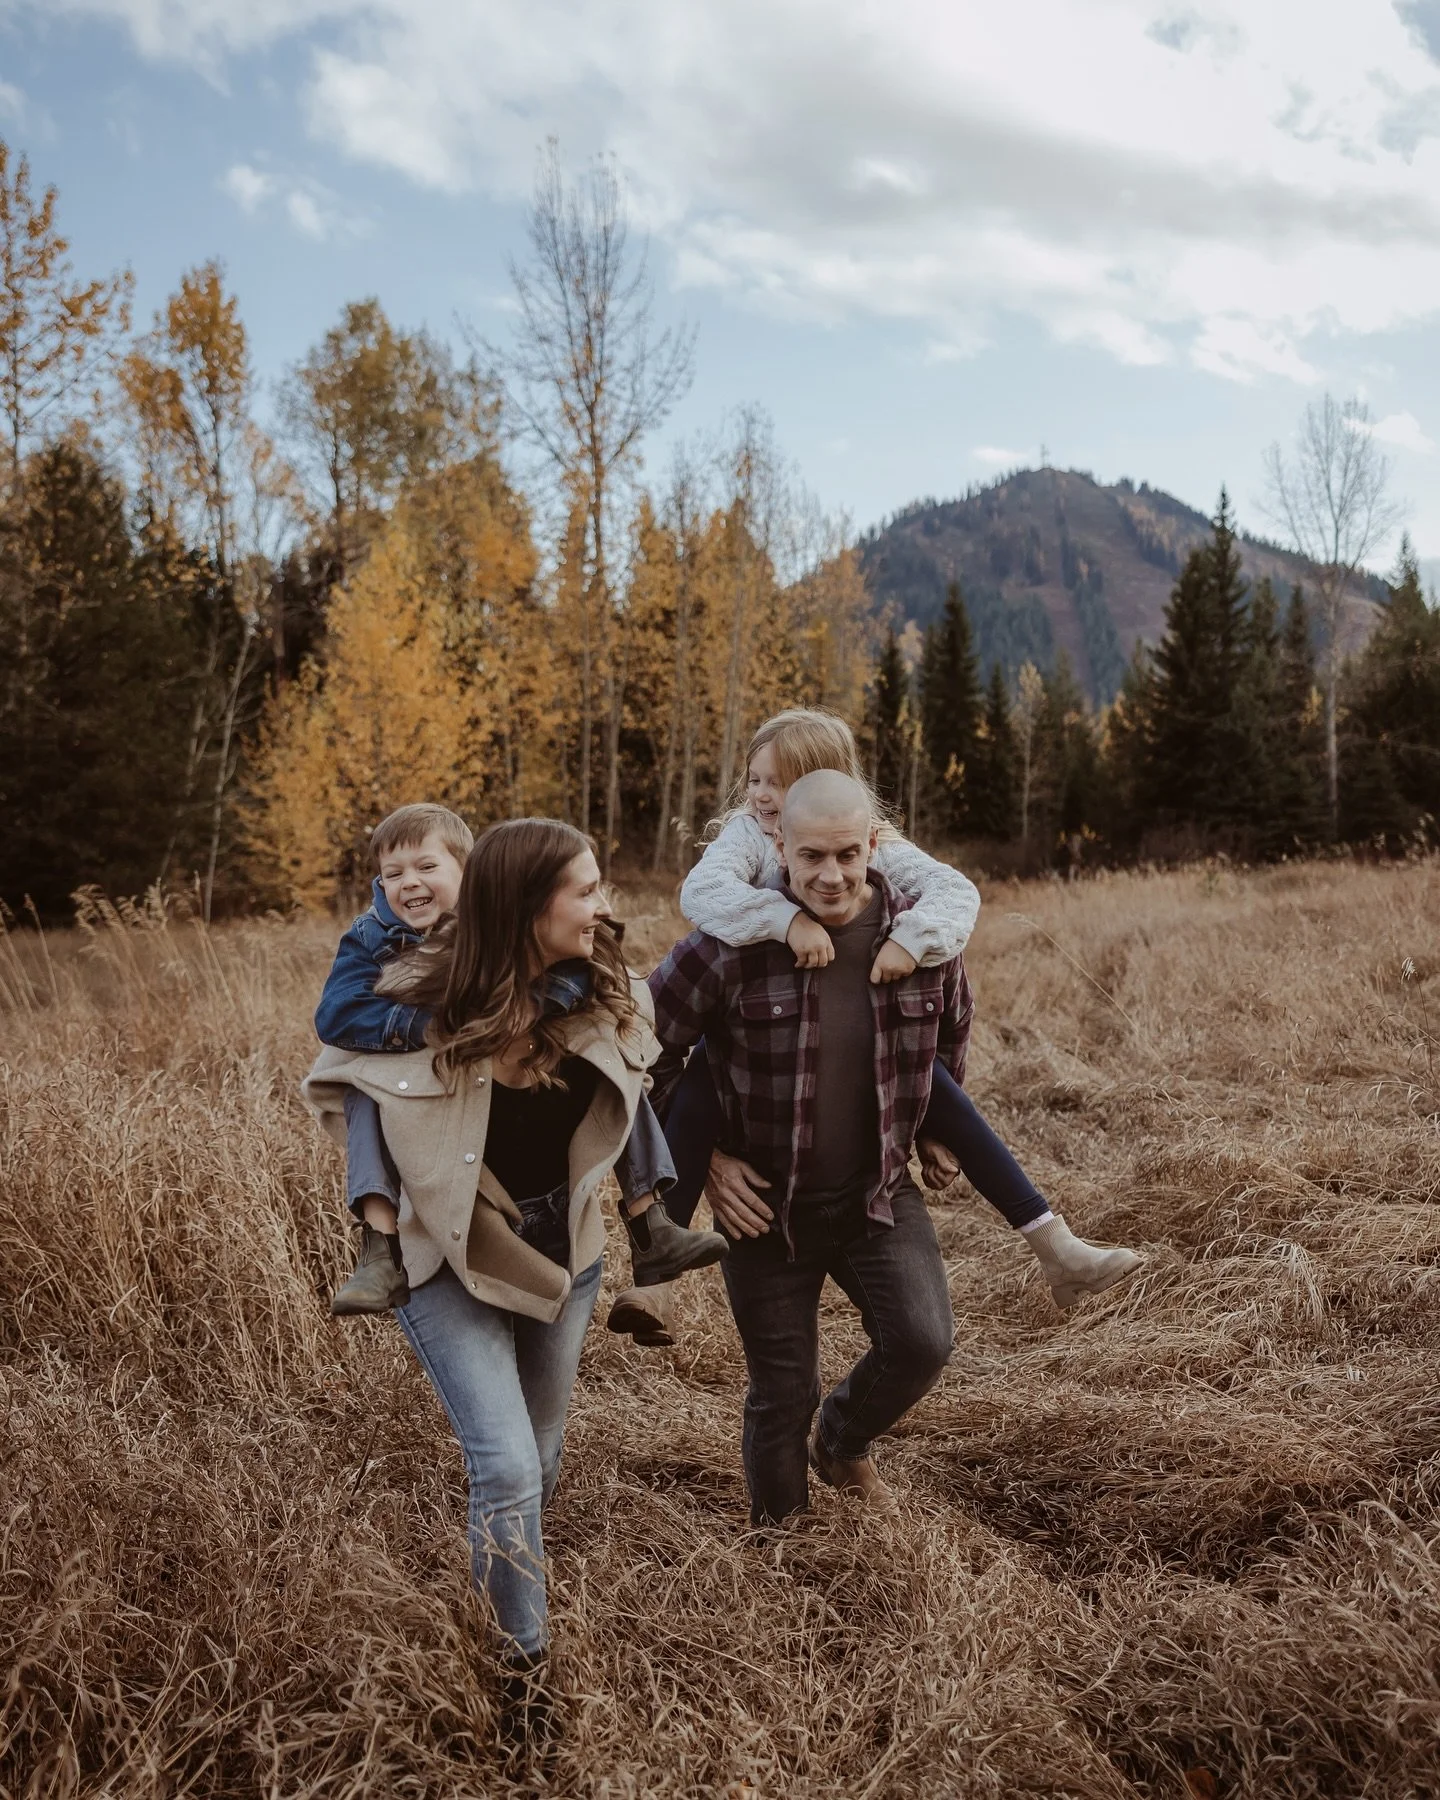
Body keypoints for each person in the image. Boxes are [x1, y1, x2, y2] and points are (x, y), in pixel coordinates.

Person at [302, 819, 726, 1751]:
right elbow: (333, 1067)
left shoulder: (596, 991)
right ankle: (519, 1674)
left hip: (564, 1256)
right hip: (446, 1256)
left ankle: (503, 1579)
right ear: (530, 908)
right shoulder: (415, 998)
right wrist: (449, 1035)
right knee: (504, 1464)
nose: (603, 905)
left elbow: (657, 1068)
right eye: (584, 890)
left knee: (540, 1463)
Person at [610, 710, 1141, 1346]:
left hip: (861, 1068)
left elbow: (954, 901)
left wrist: (913, 941)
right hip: (747, 1053)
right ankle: (657, 1272)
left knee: (938, 1083)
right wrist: (785, 922)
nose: (759, 796)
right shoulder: (750, 836)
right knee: (695, 1085)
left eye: (776, 782)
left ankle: (1052, 1241)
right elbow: (704, 894)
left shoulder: (874, 842)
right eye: (754, 779)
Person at [647, 771, 974, 1522]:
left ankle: (842, 1438)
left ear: (872, 848)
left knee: (923, 1343)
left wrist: (929, 1125)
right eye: (811, 858)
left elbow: (952, 1031)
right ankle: (782, 1549)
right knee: (780, 1393)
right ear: (781, 850)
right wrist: (711, 1166)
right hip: (765, 1208)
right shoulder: (727, 946)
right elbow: (645, 1055)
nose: (830, 876)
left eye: (846, 856)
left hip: (878, 1194)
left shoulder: (923, 936)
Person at [318, 803, 724, 1318]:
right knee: (361, 1081)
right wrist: (432, 1027)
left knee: (607, 1048)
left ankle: (650, 1218)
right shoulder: (373, 935)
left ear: (472, 877)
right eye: (391, 874)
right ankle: (379, 1244)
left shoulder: (494, 927)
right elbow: (336, 1013)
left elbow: (578, 971)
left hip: (510, 1109)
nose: (407, 884)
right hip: (417, 1069)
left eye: (426, 867)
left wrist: (530, 1011)